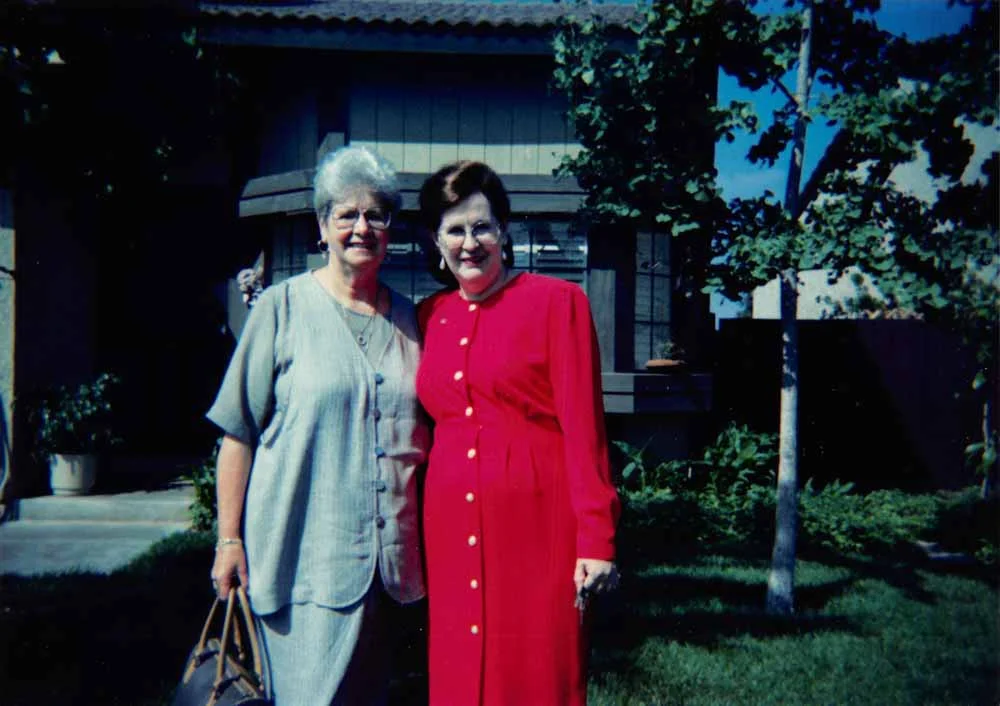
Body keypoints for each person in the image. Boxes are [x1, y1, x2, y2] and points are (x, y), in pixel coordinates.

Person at [206, 145, 429, 705]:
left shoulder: (412, 321)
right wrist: (228, 540)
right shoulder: (279, 310)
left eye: (376, 214)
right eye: (346, 214)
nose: (361, 227)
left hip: (391, 575)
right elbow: (238, 436)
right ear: (322, 226)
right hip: (302, 567)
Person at [416, 160, 621, 705]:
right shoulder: (428, 317)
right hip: (448, 529)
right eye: (455, 230)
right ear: (436, 241)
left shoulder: (558, 304)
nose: (470, 243)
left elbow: (586, 435)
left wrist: (596, 539)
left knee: (536, 672)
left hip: (539, 528)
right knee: (461, 673)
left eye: (482, 226)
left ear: (504, 230)